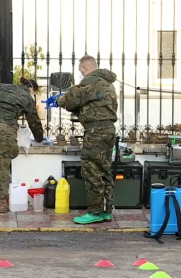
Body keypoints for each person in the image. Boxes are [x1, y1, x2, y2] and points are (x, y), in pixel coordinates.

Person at [56, 55, 118, 224]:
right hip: (109, 130)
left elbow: (69, 100)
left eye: (80, 70)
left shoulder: (89, 82)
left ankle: (95, 212)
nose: (81, 74)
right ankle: (106, 211)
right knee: (105, 169)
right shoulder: (108, 83)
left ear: (84, 68)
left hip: (95, 131)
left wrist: (58, 100)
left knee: (91, 170)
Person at [0, 77, 44, 214]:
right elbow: (33, 121)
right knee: (3, 165)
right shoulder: (27, 97)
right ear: (31, 89)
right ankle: (3, 204)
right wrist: (39, 138)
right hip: (6, 127)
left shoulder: (1, 87)